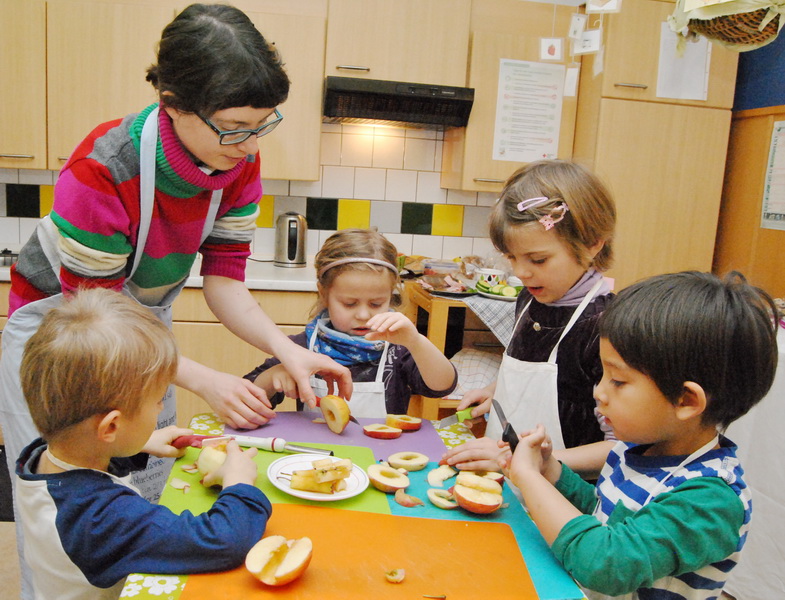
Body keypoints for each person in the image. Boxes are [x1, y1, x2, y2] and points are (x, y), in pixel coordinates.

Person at [0, 3, 351, 504]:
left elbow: (225, 282)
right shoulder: (104, 168)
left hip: (138, 334)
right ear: (174, 105)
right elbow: (100, 319)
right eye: (234, 126)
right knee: (60, 497)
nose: (251, 146)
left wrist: (287, 350)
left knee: (147, 484)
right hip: (62, 338)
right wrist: (205, 381)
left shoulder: (236, 162)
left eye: (261, 125)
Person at [501, 271, 779, 600]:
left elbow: (607, 564)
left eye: (618, 381)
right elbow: (604, 514)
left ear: (686, 401)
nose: (598, 392)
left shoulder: (710, 500)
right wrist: (551, 472)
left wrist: (529, 477)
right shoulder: (634, 449)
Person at [15, 288, 272, 600]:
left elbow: (87, 455)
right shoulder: (104, 519)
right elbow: (223, 541)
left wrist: (141, 443)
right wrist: (239, 484)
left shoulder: (43, 458)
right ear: (111, 427)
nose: (161, 408)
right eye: (158, 399)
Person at [442, 159, 616, 473]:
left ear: (592, 245)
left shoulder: (606, 328)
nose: (521, 272)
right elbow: (529, 365)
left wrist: (528, 461)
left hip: (562, 491)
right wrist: (494, 391)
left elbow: (621, 447)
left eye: (538, 259)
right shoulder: (529, 298)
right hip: (506, 476)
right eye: (512, 257)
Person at [244, 229, 458, 417]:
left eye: (376, 303)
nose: (363, 314)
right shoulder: (302, 347)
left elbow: (442, 386)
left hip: (381, 451)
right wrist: (273, 376)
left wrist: (416, 342)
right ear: (324, 294)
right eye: (349, 304)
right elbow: (249, 396)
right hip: (315, 450)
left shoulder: (397, 349)